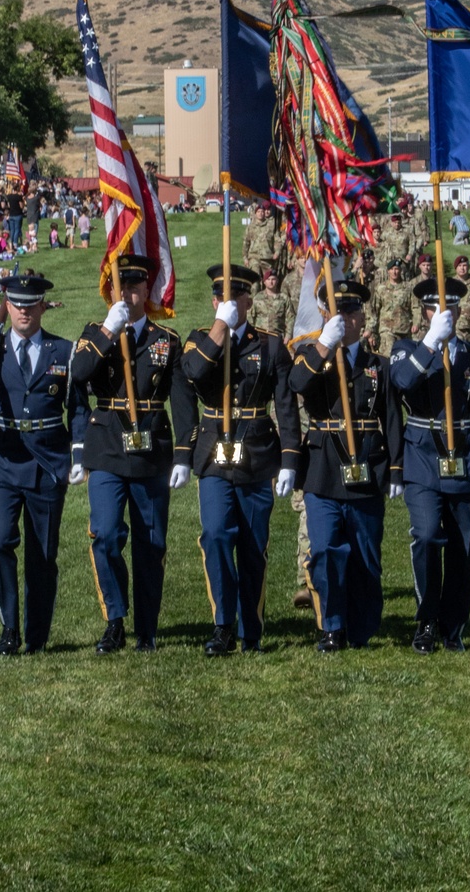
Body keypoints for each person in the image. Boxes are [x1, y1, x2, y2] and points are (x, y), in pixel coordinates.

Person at [175, 263, 300, 655]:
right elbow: (194, 371)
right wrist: (220, 329)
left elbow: (286, 406)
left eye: (233, 297)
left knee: (252, 544)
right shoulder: (198, 341)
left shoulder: (270, 345)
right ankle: (222, 625)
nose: (226, 302)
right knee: (215, 535)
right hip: (214, 453)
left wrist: (290, 459)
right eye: (219, 297)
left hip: (258, 453)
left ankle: (252, 629)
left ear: (249, 299)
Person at [71, 253, 187, 654]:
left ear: (147, 291)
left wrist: (185, 454)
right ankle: (115, 620)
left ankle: (148, 627)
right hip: (106, 446)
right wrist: (108, 331)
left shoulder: (165, 341)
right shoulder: (94, 332)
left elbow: (182, 401)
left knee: (151, 542)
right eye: (123, 286)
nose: (131, 293)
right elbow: (80, 373)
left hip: (150, 449)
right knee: (104, 534)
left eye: (137, 286)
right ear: (112, 290)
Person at [0, 273, 86, 656]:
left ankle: (36, 634)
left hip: (49, 460)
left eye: (30, 304)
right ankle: (9, 627)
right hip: (2, 455)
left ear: (42, 306)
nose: (23, 311)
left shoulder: (62, 351)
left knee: (43, 555)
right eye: (16, 304)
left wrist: (78, 454)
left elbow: (78, 408)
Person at [287, 278, 403, 650]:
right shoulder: (311, 354)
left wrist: (397, 469)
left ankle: (362, 628)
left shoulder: (376, 365)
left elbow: (392, 419)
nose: (347, 318)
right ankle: (331, 626)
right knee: (324, 551)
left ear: (363, 317)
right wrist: (325, 344)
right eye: (338, 311)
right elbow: (297, 383)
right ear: (325, 314)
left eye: (352, 311)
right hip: (323, 470)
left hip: (368, 468)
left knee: (366, 555)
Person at [390, 275, 470, 653]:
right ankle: (425, 620)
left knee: (462, 548)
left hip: (467, 459)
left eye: (450, 307)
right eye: (436, 307)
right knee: (425, 536)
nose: (444, 313)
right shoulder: (406, 349)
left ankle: (453, 625)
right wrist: (429, 343)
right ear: (424, 311)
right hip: (423, 458)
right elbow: (403, 382)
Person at [367, 259, 413, 357]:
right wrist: (371, 331)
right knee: (388, 355)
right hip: (387, 329)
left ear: (400, 270)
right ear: (388, 271)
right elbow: (374, 311)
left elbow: (414, 307)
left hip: (404, 330)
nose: (394, 272)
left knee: (403, 358)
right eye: (392, 269)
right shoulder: (380, 288)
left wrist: (416, 323)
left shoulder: (408, 287)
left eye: (397, 269)